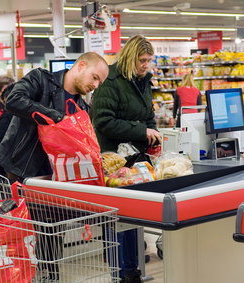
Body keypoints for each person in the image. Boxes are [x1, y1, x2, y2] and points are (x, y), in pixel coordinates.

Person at [91, 34, 162, 283]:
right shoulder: (110, 81)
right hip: (112, 159)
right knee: (117, 218)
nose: (146, 65)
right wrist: (142, 130)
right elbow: (102, 121)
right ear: (131, 57)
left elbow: (148, 114)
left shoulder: (144, 81)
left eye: (149, 60)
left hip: (136, 159)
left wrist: (153, 136)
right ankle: (120, 273)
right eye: (142, 60)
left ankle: (132, 271)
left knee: (134, 215)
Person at [0, 52, 109, 182]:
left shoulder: (82, 109)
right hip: (20, 169)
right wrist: (59, 117)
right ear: (81, 66)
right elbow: (14, 100)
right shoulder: (41, 79)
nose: (96, 85)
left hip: (58, 176)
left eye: (100, 82)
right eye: (94, 77)